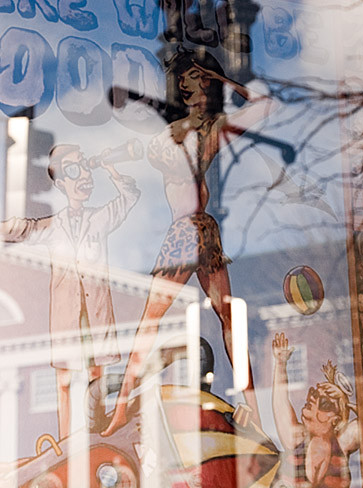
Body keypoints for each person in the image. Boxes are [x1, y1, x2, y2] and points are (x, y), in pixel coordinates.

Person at [104, 48, 275, 436]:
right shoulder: (186, 134)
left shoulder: (202, 131)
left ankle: (122, 405)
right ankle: (123, 405)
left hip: (194, 231)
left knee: (179, 319)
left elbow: (265, 106)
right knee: (214, 319)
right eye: (185, 81)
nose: (189, 87)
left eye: (196, 79)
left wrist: (222, 80)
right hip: (196, 231)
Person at [0, 144, 139, 439]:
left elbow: (130, 198)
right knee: (64, 379)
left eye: (85, 167)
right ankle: (65, 442)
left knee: (96, 373)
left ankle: (97, 433)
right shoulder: (54, 225)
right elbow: (21, 229)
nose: (84, 176)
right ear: (61, 183)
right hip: (67, 316)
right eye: (74, 170)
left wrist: (110, 169)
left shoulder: (100, 218)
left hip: (95, 312)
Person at [271, 331, 360, 488]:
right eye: (313, 394)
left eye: (324, 403)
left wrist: (352, 406)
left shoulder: (342, 442)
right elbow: (280, 404)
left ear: (335, 419)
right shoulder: (295, 440)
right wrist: (280, 365)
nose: (312, 399)